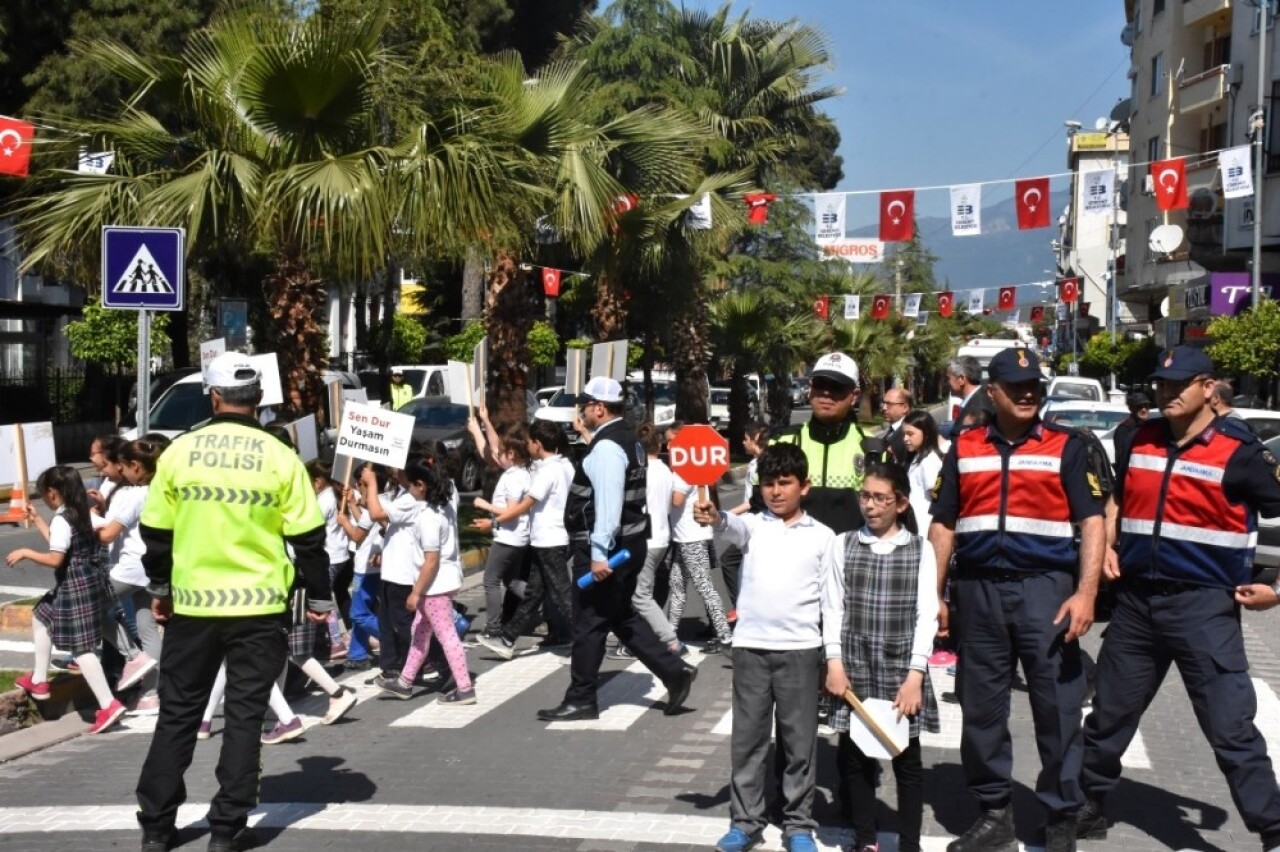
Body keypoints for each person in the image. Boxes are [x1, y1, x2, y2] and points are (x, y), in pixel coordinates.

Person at [1077, 347, 1280, 851]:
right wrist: (1109, 546)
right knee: (1108, 715)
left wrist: (1278, 591)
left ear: (1208, 387)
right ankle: (1088, 804)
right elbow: (1119, 496)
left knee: (1231, 728)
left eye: (1178, 385)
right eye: (1161, 385)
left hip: (1203, 608)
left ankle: (1273, 830)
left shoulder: (1241, 451)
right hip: (1136, 606)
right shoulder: (1140, 436)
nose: (1165, 394)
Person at [133, 351, 333, 852]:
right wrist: (322, 598)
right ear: (259, 397)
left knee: (178, 715)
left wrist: (160, 590)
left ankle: (157, 827)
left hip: (193, 608)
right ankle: (227, 828)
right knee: (245, 716)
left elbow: (155, 532)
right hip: (259, 608)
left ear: (213, 396)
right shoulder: (281, 456)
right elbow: (309, 537)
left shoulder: (179, 451)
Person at [928, 346, 1105, 852]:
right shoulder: (964, 448)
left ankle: (1061, 819)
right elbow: (943, 524)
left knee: (1058, 707)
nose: (1028, 394)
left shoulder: (1066, 446)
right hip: (978, 590)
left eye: (1035, 387)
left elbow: (1091, 521)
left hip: (1044, 590)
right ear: (993, 391)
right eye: (1017, 386)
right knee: (981, 709)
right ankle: (995, 814)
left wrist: (1086, 592)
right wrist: (935, 594)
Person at [694, 443, 833, 852]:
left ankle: (799, 824)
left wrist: (831, 656)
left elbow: (832, 603)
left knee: (799, 742)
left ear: (804, 486)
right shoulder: (753, 526)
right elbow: (725, 526)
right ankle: (746, 821)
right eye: (769, 483)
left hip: (802, 652)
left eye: (784, 483)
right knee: (749, 740)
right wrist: (715, 515)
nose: (776, 491)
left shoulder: (823, 537)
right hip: (751, 650)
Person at [536, 376, 695, 722]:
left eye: (585, 406)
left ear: (599, 408)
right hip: (629, 545)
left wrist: (597, 556)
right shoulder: (628, 440)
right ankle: (674, 671)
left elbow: (607, 507)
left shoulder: (608, 448)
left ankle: (581, 698)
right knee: (620, 616)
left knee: (588, 623)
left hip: (608, 551)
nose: (582, 411)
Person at [824, 461, 939, 852]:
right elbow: (833, 608)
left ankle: (909, 843)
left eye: (880, 498)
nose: (870, 506)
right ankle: (866, 838)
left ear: (901, 503)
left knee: (906, 761)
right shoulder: (843, 544)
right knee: (855, 759)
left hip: (899, 666)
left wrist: (916, 675)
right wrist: (834, 662)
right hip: (855, 664)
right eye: (865, 496)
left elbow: (927, 613)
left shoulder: (920, 550)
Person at [7, 466, 126, 733]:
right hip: (90, 581)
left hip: (75, 587)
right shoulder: (82, 512)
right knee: (41, 615)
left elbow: (56, 558)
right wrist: (38, 520)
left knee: (81, 648)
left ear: (52, 493)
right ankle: (39, 680)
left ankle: (109, 705)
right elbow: (63, 543)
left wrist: (26, 551)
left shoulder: (63, 519)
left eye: (44, 495)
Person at [376, 455, 474, 703]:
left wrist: (416, 592)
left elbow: (431, 560)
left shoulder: (429, 517)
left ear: (421, 485)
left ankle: (464, 687)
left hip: (434, 586)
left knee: (446, 636)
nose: (407, 489)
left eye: (409, 485)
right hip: (439, 582)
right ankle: (405, 681)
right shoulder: (442, 507)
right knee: (420, 632)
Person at [477, 419, 576, 658]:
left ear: (538, 444)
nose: (528, 446)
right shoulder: (565, 465)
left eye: (530, 441)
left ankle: (586, 637)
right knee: (533, 594)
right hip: (549, 539)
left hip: (550, 540)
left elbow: (523, 507)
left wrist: (492, 519)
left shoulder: (548, 471)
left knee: (562, 595)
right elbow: (496, 452)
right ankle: (507, 639)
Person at [772, 353, 870, 535]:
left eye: (837, 387)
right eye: (820, 384)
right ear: (810, 389)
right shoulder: (781, 442)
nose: (826, 392)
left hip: (850, 558)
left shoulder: (873, 448)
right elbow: (759, 509)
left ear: (854, 395)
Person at [612, 422, 684, 660]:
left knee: (640, 596)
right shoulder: (665, 470)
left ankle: (668, 640)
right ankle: (634, 636)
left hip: (645, 539)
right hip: (662, 537)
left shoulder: (639, 472)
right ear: (660, 444)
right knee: (638, 591)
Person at [467, 413, 533, 640]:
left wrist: (486, 506)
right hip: (516, 537)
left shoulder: (514, 477)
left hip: (509, 538)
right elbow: (493, 447)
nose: (498, 456)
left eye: (502, 453)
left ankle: (494, 628)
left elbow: (512, 511)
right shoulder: (521, 473)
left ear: (512, 454)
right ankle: (540, 603)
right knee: (512, 581)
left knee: (490, 581)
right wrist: (483, 422)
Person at [334, 462, 387, 671]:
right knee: (362, 611)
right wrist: (353, 504)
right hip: (373, 568)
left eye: (361, 484)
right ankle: (357, 654)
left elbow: (357, 535)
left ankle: (396, 639)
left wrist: (344, 521)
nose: (358, 487)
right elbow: (364, 522)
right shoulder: (379, 504)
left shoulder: (374, 507)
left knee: (358, 614)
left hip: (365, 570)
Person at [900, 409, 948, 533]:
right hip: (914, 524)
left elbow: (937, 493)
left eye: (910, 434)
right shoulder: (917, 457)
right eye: (904, 434)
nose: (905, 438)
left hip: (924, 526)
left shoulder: (929, 460)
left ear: (926, 433)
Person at [946, 355, 993, 435]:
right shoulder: (978, 399)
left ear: (961, 379)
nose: (946, 383)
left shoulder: (978, 410)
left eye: (948, 378)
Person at [1110, 387, 1153, 464]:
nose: (1144, 410)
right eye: (1139, 407)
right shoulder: (1124, 429)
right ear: (1131, 408)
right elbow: (1121, 458)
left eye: (1146, 406)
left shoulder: (1148, 427)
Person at [878, 387, 913, 464]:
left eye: (889, 404)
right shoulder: (891, 431)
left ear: (905, 408)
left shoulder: (910, 436)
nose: (883, 408)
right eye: (883, 403)